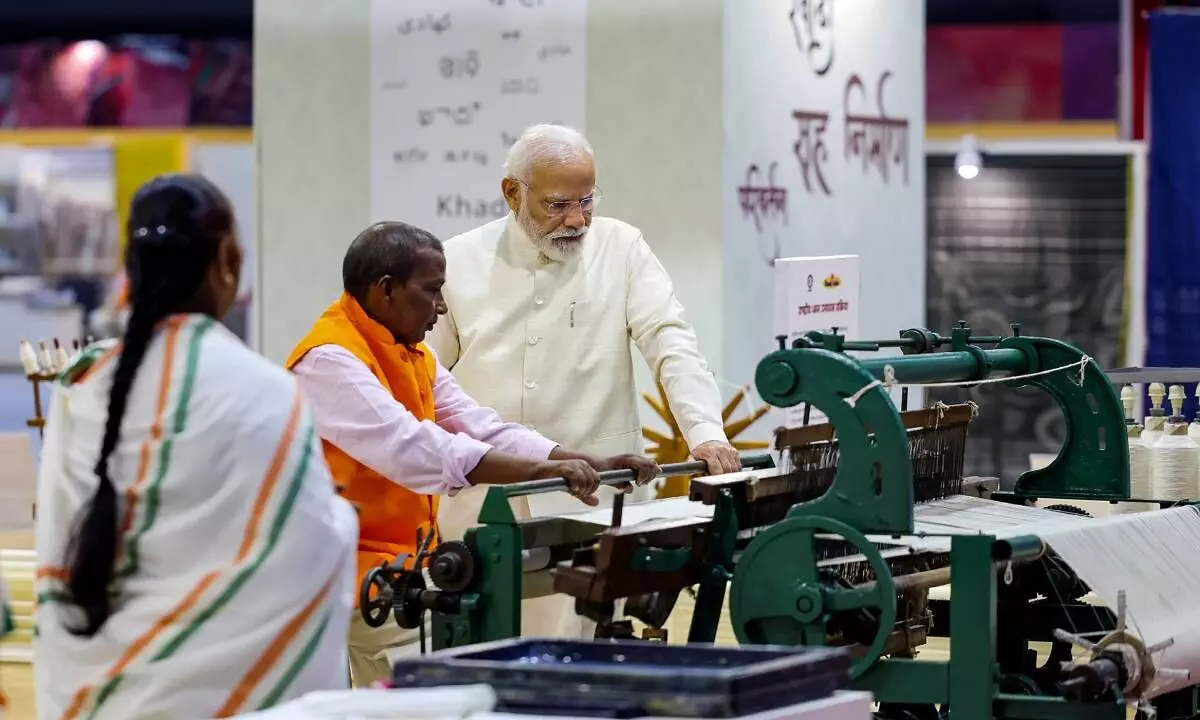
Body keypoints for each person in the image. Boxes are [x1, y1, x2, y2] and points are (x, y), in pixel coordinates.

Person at [33, 175, 358, 720]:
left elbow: (62, 545)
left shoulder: (83, 388)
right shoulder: (262, 390)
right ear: (227, 263)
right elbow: (304, 551)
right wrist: (341, 518)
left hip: (99, 698)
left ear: (130, 269)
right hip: (225, 703)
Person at [286, 221, 658, 688]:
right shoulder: (331, 360)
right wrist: (543, 470)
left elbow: (479, 424)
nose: (442, 307)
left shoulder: (411, 353)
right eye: (433, 291)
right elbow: (414, 448)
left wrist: (577, 461)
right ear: (385, 291)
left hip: (398, 569)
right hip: (348, 575)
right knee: (448, 683)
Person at [426, 124, 741, 635]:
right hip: (485, 502)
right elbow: (425, 378)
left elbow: (670, 340)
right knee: (483, 661)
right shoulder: (457, 260)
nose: (576, 220)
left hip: (595, 501)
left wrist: (705, 431)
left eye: (586, 201)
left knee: (582, 670)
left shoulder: (621, 247)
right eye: (556, 204)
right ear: (512, 192)